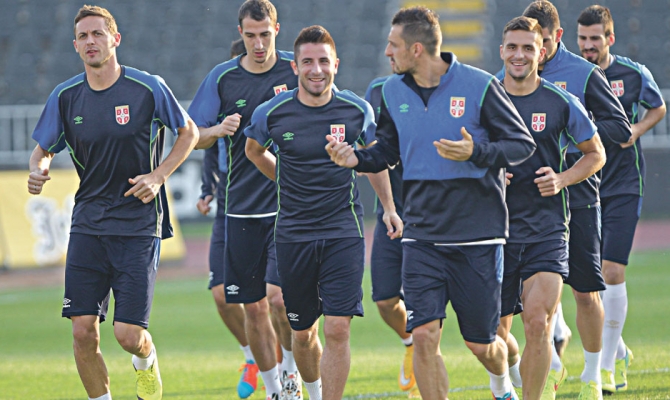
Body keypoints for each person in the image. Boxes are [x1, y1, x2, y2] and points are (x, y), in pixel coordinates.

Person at [327, 7, 536, 400]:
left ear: (416, 49)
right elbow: (387, 151)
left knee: (481, 344)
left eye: (394, 45)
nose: (387, 52)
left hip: (477, 236)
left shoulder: (480, 85)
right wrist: (355, 158)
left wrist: (477, 152)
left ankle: (502, 380)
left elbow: (522, 145)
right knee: (423, 335)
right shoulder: (391, 92)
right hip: (421, 235)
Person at [26, 5, 198, 400]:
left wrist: (159, 175)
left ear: (115, 39)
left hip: (138, 223)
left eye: (97, 34)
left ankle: (146, 360)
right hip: (88, 222)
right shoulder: (65, 96)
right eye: (83, 36)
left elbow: (188, 132)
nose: (90, 42)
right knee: (82, 330)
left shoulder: (147, 87)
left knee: (128, 335)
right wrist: (38, 168)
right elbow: (42, 151)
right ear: (75, 45)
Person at [245, 25, 402, 400]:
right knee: (302, 334)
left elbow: (376, 159)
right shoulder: (272, 113)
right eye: (308, 62)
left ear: (336, 64)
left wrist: (389, 209)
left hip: (342, 231)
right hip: (293, 235)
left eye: (323, 61)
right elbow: (253, 150)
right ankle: (312, 391)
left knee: (337, 328)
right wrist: (284, 179)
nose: (316, 70)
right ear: (295, 67)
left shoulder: (356, 110)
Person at [497, 2, 632, 397]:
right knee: (501, 325)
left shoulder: (580, 77)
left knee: (583, 292)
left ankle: (593, 375)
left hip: (575, 200)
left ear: (550, 40)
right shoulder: (495, 89)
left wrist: (564, 147)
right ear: (504, 49)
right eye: (515, 46)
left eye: (533, 45)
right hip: (508, 213)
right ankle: (535, 372)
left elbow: (617, 131)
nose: (524, 54)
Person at [188, 1, 300, 399]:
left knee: (280, 301)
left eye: (265, 34)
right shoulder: (222, 78)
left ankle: (291, 371)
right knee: (248, 305)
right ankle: (272, 388)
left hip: (290, 207)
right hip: (240, 210)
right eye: (250, 36)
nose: (258, 43)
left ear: (277, 29)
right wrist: (218, 129)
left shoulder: (296, 69)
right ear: (240, 33)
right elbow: (192, 135)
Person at [576, 5, 667, 394]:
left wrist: (636, 129)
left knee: (612, 272)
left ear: (609, 39)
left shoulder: (633, 74)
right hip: (584, 184)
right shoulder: (572, 75)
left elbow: (658, 107)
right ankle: (619, 349)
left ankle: (607, 368)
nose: (588, 45)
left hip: (624, 183)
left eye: (595, 38)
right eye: (582, 38)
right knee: (588, 281)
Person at [195, 37, 259, 399]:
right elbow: (209, 144)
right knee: (222, 294)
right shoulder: (223, 91)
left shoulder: (275, 98)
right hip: (229, 205)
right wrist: (207, 189)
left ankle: (287, 366)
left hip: (269, 203)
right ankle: (252, 356)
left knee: (270, 299)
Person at [364, 76, 419, 398]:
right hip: (392, 212)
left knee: (426, 304)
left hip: (434, 216)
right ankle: (410, 343)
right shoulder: (377, 90)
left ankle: (424, 376)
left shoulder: (447, 87)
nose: (390, 53)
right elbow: (370, 147)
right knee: (385, 299)